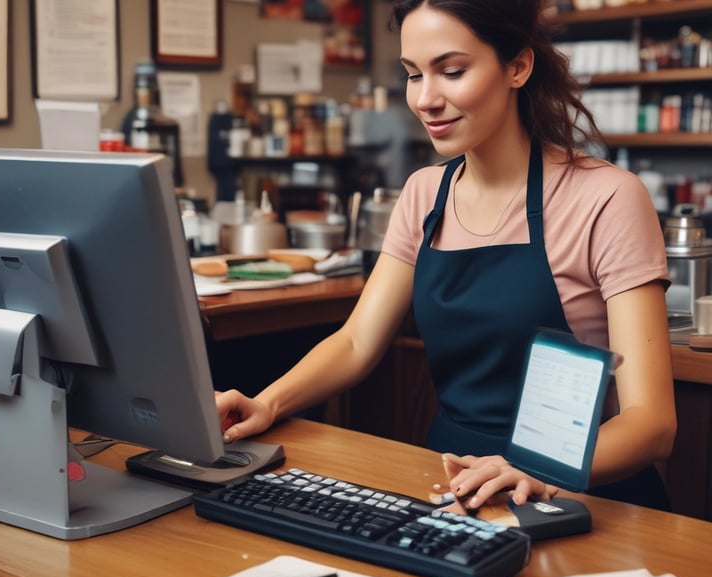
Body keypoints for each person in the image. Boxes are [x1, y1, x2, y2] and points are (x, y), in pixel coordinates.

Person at [216, 0, 677, 512]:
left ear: (518, 67)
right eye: (414, 75)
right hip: (451, 489)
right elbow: (355, 341)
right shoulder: (423, 194)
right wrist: (266, 403)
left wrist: (534, 467)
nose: (426, 99)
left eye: (452, 71)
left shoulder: (607, 197)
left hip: (577, 497)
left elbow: (651, 423)